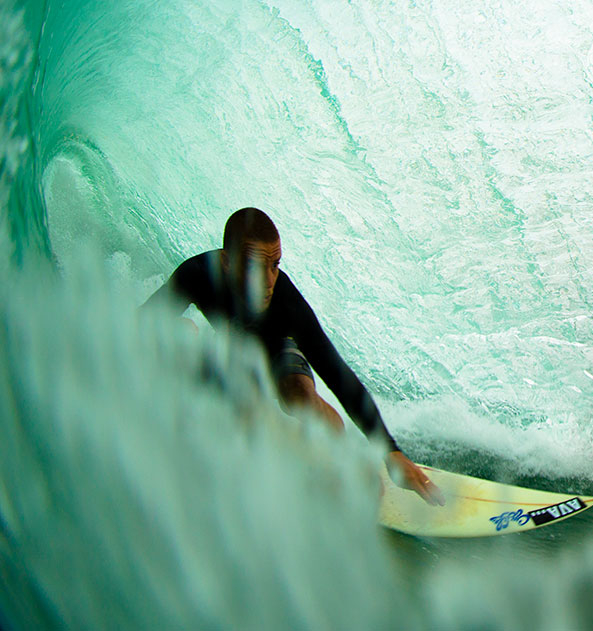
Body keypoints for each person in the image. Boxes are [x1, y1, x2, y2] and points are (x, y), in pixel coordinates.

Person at [144, 207, 443, 506]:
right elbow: (140, 323)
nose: (268, 280)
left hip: (280, 351)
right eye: (254, 267)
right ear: (226, 261)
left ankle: (343, 455)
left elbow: (336, 372)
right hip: (237, 356)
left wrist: (390, 450)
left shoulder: (286, 301)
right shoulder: (196, 275)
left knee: (298, 395)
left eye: (275, 265)